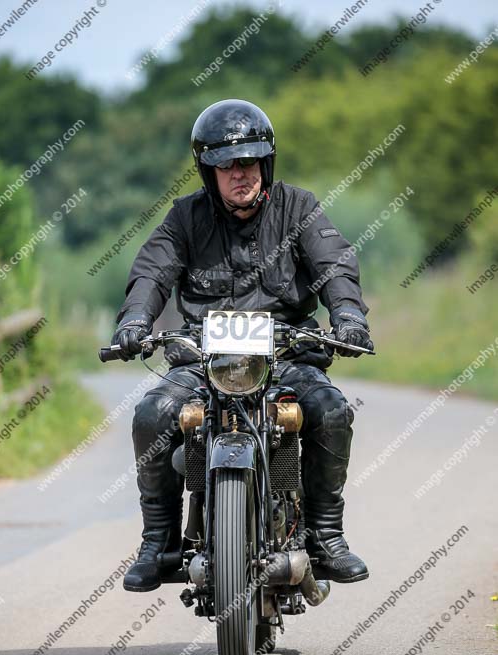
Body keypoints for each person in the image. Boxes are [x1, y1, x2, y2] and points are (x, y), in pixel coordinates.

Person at [112, 99, 374, 593]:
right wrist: (134, 321)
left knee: (332, 411)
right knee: (152, 414)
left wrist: (347, 314)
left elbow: (334, 265)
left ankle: (325, 536)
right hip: (203, 356)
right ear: (207, 171)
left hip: (286, 354)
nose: (240, 174)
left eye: (249, 162)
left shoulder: (299, 208)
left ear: (265, 163)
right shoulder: (185, 218)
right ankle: (159, 540)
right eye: (227, 165)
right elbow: (152, 271)